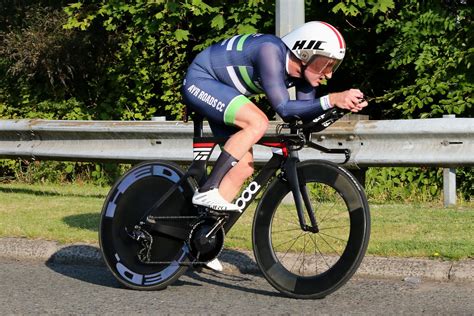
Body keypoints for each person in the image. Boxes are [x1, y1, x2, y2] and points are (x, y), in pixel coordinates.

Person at [183, 21, 368, 212]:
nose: (329, 74)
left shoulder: (305, 75)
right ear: (305, 53)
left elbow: (304, 117)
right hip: (201, 80)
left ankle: (203, 230)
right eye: (326, 64)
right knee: (257, 122)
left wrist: (342, 107)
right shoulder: (269, 50)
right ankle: (207, 189)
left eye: (333, 66)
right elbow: (285, 109)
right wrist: (332, 99)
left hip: (225, 92)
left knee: (242, 168)